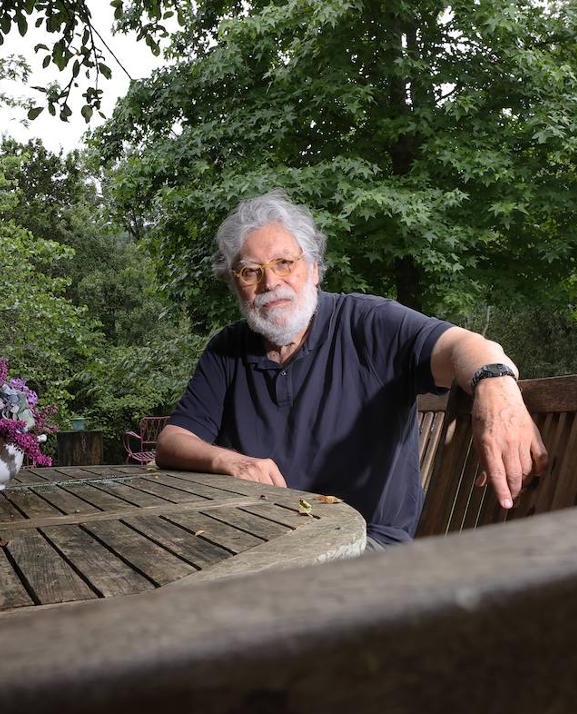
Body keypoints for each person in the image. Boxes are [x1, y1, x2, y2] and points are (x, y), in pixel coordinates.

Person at [156, 190, 547, 549]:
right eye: (250, 271)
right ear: (235, 284)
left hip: (368, 546)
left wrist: (494, 385)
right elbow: (172, 440)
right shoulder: (227, 349)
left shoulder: (368, 322)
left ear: (314, 269)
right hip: (261, 538)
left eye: (284, 263)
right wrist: (229, 460)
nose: (270, 282)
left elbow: (464, 346)